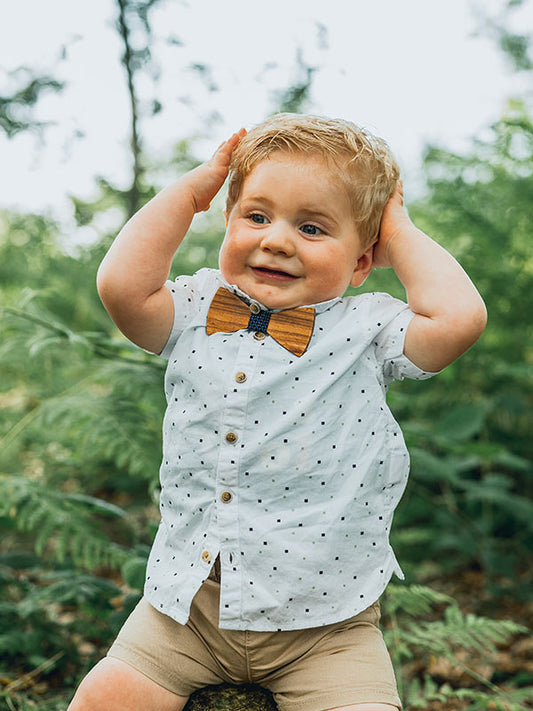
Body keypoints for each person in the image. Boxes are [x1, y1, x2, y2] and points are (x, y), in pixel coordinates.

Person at [68, 114, 487, 711]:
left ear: (363, 261)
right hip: (186, 612)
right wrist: (189, 193)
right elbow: (121, 287)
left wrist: (399, 230)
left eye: (313, 228)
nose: (277, 239)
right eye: (257, 216)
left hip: (328, 629)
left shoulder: (369, 330)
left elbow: (459, 321)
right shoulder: (194, 307)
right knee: (102, 701)